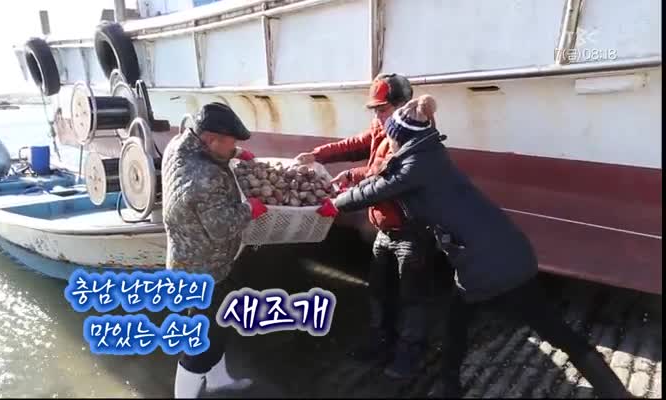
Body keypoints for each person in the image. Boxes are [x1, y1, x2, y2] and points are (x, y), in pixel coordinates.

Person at [330, 96, 632, 398]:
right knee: (547, 328)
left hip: (482, 264)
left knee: (459, 328)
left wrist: (332, 205)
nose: (389, 143)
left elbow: (376, 189)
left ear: (401, 139)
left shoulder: (414, 166)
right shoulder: (430, 152)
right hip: (511, 251)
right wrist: (352, 182)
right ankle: (615, 392)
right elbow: (383, 176)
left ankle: (448, 389)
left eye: (392, 138)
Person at [296, 73, 447, 379]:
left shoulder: (415, 135)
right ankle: (381, 341)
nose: (377, 116)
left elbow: (384, 174)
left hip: (412, 231)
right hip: (386, 228)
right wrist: (317, 155)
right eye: (375, 110)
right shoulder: (383, 124)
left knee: (413, 296)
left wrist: (346, 185)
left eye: (382, 109)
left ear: (402, 105)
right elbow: (360, 143)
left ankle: (409, 353)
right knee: (379, 288)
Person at [161, 102, 268, 398]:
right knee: (201, 345)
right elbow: (221, 227)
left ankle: (218, 381)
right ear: (210, 138)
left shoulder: (178, 144)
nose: (234, 146)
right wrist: (250, 209)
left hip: (187, 260)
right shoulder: (205, 176)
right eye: (231, 142)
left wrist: (236, 153)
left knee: (216, 329)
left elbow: (209, 154)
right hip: (205, 270)